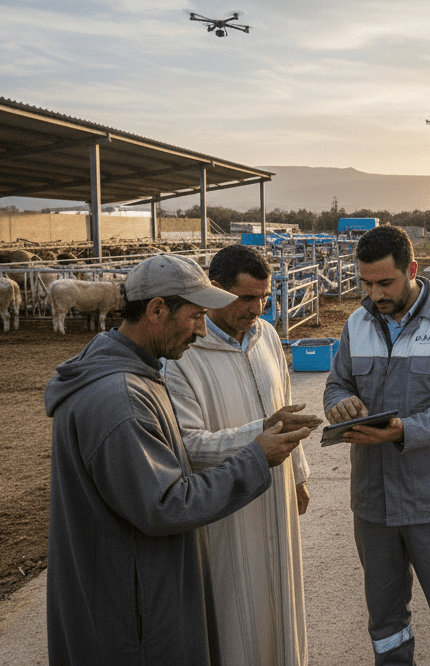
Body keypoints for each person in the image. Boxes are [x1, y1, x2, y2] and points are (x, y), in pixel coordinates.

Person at [44, 253, 311, 666]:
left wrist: (293, 469)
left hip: (130, 592)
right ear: (156, 310)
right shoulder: (123, 399)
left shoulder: (135, 376)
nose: (202, 328)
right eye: (196, 315)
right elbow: (165, 504)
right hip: (134, 609)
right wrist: (256, 456)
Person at [324, 225, 430, 666]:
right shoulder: (356, 324)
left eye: (385, 282)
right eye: (366, 283)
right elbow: (337, 384)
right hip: (374, 503)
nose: (374, 294)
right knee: (385, 620)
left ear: (412, 270)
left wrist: (403, 431)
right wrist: (340, 405)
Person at [163, 244, 321, 666]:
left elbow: (285, 403)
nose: (258, 308)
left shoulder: (266, 335)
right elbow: (189, 444)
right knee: (236, 608)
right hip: (226, 505)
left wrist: (299, 476)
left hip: (278, 490)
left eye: (264, 297)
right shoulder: (183, 356)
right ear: (214, 291)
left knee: (282, 598)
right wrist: (260, 439)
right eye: (247, 298)